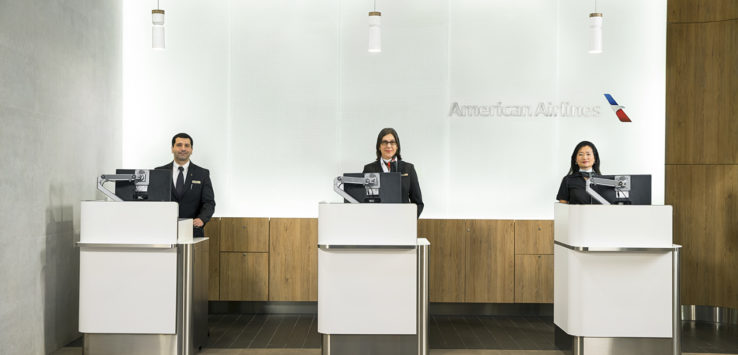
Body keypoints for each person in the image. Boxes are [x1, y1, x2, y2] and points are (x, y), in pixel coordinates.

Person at [157, 133, 215, 237]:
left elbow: (209, 202)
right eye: (179, 145)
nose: (183, 149)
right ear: (172, 148)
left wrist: (202, 219)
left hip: (193, 231)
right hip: (163, 230)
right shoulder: (159, 172)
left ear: (191, 150)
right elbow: (155, 201)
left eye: (187, 145)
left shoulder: (202, 174)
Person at [362, 128, 424, 217]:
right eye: (384, 142)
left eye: (392, 142)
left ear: (397, 146)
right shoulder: (369, 169)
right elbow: (364, 201)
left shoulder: (408, 168)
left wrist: (408, 221)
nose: (388, 146)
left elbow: (418, 203)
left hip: (402, 223)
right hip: (377, 223)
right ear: (379, 146)